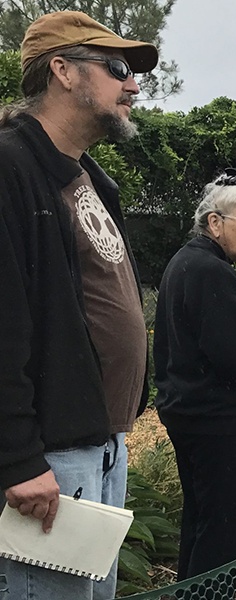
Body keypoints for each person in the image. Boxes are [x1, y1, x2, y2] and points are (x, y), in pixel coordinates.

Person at [0, 11, 156, 598]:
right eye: (118, 68)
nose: (133, 85)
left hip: (103, 443)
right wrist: (17, 457)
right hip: (49, 454)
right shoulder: (10, 167)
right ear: (62, 70)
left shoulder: (90, 179)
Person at [154, 171, 236, 584]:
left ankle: (190, 593)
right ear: (215, 222)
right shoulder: (210, 272)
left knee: (202, 520)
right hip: (216, 419)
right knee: (226, 532)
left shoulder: (187, 262)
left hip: (190, 412)